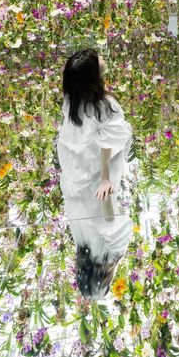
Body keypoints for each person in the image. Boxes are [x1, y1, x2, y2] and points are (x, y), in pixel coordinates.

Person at [56, 49, 133, 300]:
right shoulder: (103, 105)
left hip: (79, 172)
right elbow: (106, 145)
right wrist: (104, 177)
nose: (103, 59)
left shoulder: (72, 100)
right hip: (88, 179)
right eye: (99, 60)